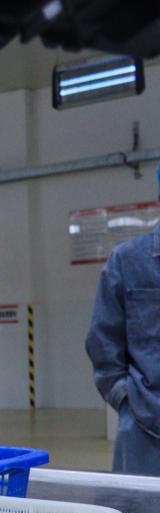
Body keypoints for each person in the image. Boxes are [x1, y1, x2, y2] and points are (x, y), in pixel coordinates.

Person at [86, 167, 160, 475]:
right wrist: (127, 402)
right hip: (146, 430)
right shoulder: (128, 261)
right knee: (142, 508)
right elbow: (103, 343)